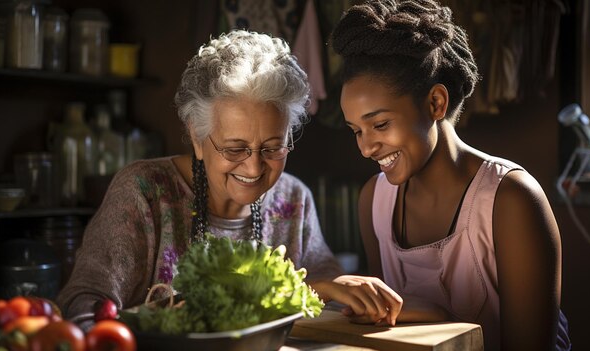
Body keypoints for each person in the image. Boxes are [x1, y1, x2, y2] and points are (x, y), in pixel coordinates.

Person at [57, 29, 402, 330]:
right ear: (197, 137)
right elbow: (83, 305)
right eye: (235, 149)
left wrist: (340, 293)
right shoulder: (144, 193)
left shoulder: (293, 200)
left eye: (272, 148)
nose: (253, 169)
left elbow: (326, 294)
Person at [330, 1, 571, 350]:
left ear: (435, 104)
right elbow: (384, 331)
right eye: (356, 130)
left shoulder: (512, 199)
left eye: (379, 124)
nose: (366, 148)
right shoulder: (374, 200)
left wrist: (438, 317)